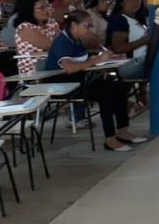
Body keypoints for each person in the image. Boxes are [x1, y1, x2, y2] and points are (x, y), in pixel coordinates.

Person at [45, 9, 143, 152]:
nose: (90, 29)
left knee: (118, 86)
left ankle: (123, 130)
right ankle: (110, 139)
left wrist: (97, 58)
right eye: (87, 26)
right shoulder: (62, 41)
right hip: (62, 85)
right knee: (104, 93)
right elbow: (69, 68)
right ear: (74, 25)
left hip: (78, 81)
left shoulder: (77, 41)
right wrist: (96, 60)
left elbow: (82, 62)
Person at [107, 0, 152, 80]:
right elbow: (118, 48)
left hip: (142, 61)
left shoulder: (139, 19)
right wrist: (144, 41)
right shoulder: (120, 20)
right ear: (122, 2)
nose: (134, 2)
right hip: (129, 65)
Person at [14, 0, 60, 75]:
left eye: (48, 6)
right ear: (30, 10)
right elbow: (52, 46)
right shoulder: (25, 27)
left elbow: (64, 42)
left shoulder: (51, 23)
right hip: (34, 73)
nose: (47, 10)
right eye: (42, 8)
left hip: (53, 67)